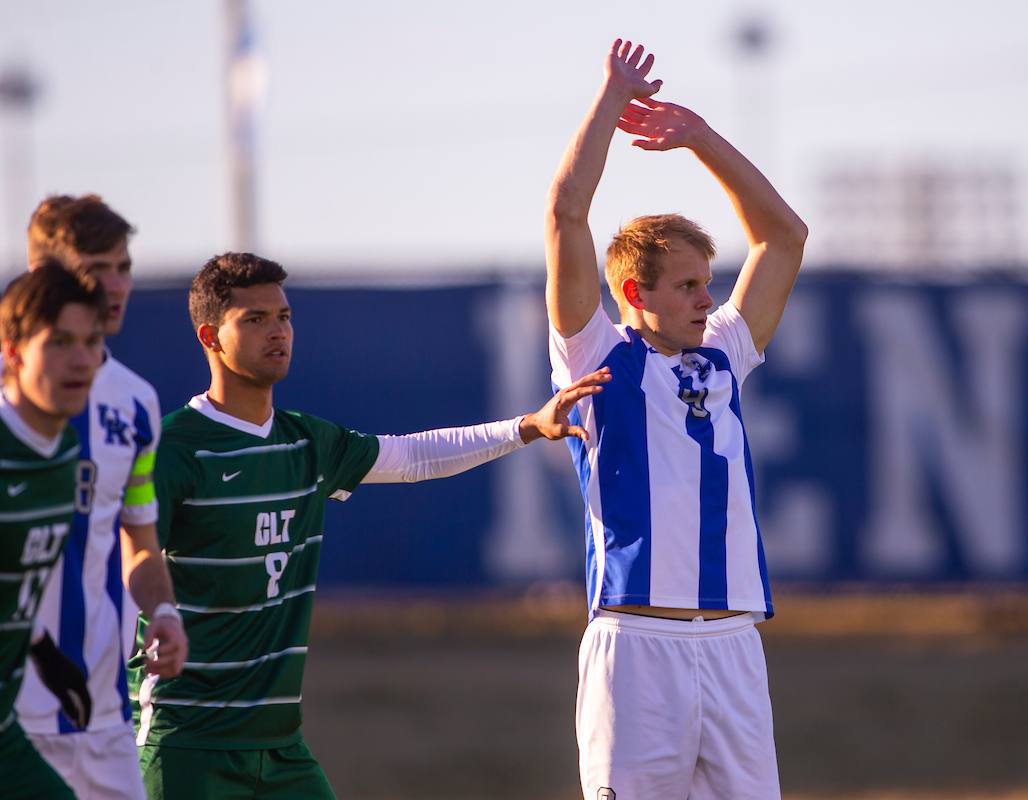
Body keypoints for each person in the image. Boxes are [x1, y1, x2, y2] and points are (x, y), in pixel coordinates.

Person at [131, 252, 609, 800]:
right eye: (255, 320)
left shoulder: (307, 442)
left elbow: (410, 458)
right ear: (209, 337)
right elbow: (129, 559)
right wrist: (158, 616)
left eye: (283, 316)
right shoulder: (172, 449)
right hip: (183, 740)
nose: (278, 331)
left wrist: (524, 427)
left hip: (279, 746)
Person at [544, 40, 809, 799]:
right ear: (634, 291)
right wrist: (608, 99)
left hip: (734, 643)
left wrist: (698, 137)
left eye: (708, 283)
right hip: (637, 645)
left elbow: (783, 238)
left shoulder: (724, 352)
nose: (706, 300)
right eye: (688, 285)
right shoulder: (597, 358)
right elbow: (566, 212)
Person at [17, 195, 187, 800]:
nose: (116, 285)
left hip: (105, 714)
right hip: (16, 720)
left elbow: (137, 539)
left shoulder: (136, 403)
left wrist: (163, 612)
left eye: (124, 266)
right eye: (97, 267)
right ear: (45, 277)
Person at [0, 262, 108, 799]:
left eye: (93, 341)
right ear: (14, 351)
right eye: (60, 341)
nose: (82, 359)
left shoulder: (64, 449)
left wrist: (43, 652)